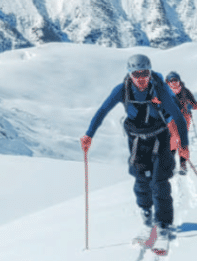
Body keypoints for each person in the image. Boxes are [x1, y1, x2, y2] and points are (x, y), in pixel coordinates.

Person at [80, 54, 189, 242]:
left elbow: (177, 117)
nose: (141, 78)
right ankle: (147, 218)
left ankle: (163, 224)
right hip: (137, 140)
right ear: (129, 74)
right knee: (141, 180)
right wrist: (89, 135)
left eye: (144, 73)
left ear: (149, 72)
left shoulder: (159, 89)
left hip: (161, 137)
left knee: (159, 182)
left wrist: (184, 146)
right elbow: (102, 111)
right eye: (136, 74)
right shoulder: (122, 90)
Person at [164, 71, 197, 174]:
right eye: (171, 81)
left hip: (184, 118)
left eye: (176, 80)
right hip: (171, 118)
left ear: (179, 81)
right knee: (174, 138)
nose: (174, 83)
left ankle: (183, 164)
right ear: (167, 82)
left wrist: (190, 106)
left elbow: (195, 105)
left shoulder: (185, 91)